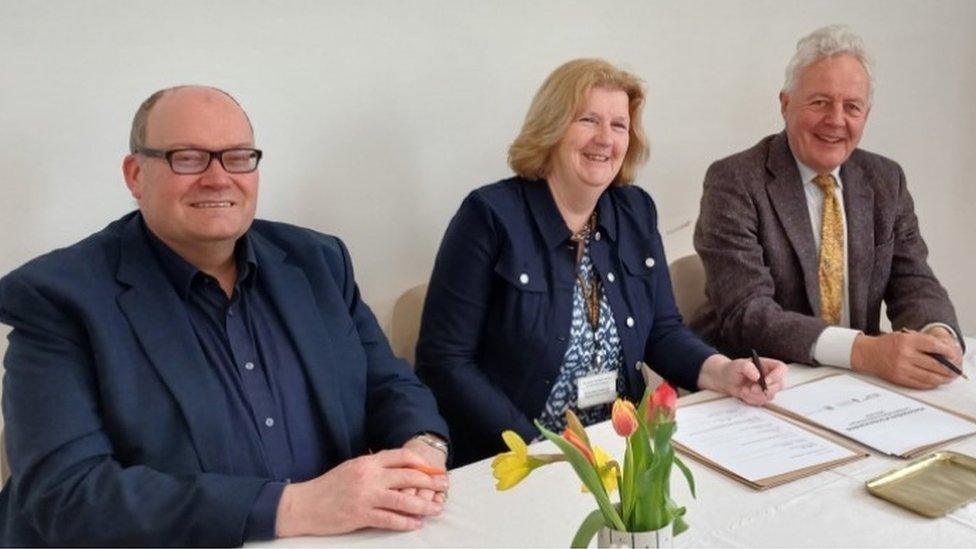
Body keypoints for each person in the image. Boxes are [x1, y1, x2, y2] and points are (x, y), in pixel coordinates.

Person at [0, 86, 450, 546]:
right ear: (136, 175)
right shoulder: (57, 297)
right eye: (188, 158)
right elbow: (67, 495)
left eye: (237, 157)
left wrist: (422, 446)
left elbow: (389, 385)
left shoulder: (318, 261)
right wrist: (295, 506)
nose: (218, 178)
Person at [416, 59, 788, 467]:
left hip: (620, 451)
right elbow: (445, 362)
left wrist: (723, 372)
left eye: (619, 125)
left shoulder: (635, 211)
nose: (604, 139)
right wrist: (537, 446)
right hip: (517, 460)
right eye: (588, 120)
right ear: (553, 128)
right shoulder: (489, 216)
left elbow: (662, 331)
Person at [692, 25, 964, 390]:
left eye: (852, 106)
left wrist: (938, 335)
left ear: (866, 115)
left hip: (857, 387)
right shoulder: (735, 181)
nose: (836, 120)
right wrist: (865, 351)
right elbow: (748, 314)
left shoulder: (886, 180)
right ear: (786, 104)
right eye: (820, 102)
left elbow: (914, 280)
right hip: (760, 384)